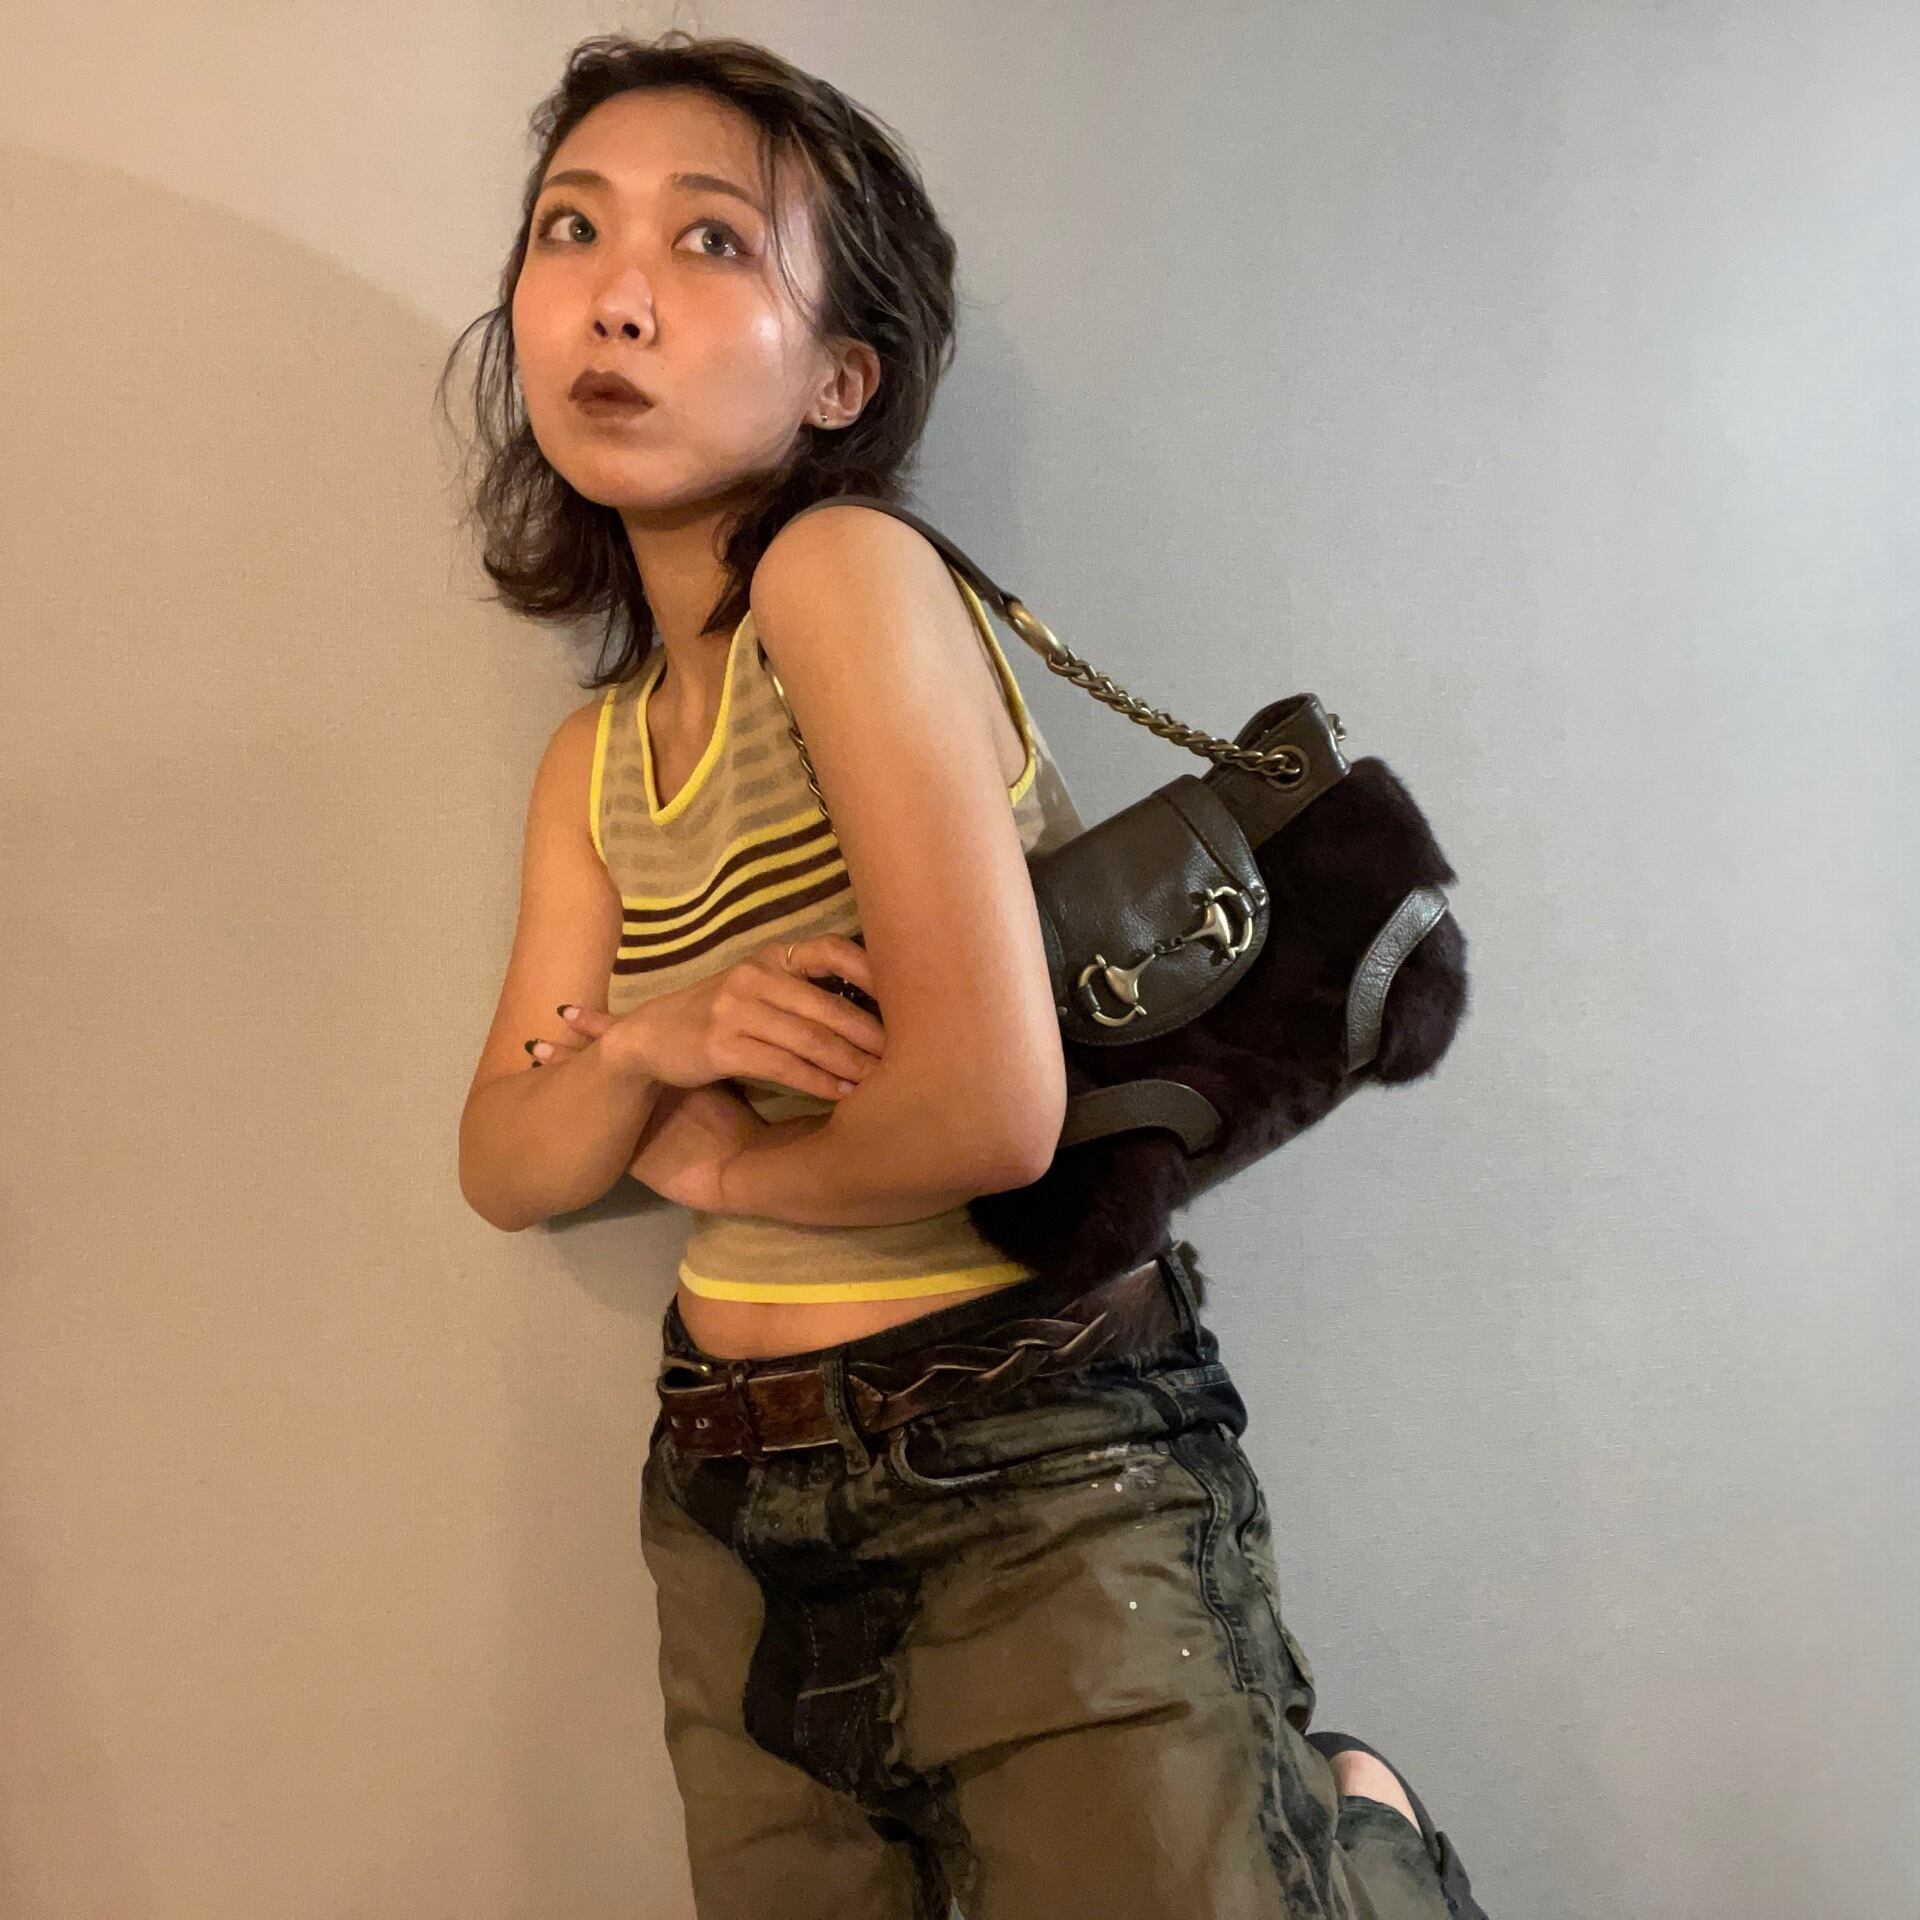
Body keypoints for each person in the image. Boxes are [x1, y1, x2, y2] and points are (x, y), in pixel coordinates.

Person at [451, 30, 1489, 1920]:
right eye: (569, 230)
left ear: (840, 375)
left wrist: (729, 1160)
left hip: (1022, 1462)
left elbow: (989, 1112)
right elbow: (507, 1157)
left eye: (709, 243)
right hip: (726, 1502)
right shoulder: (591, 763)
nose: (615, 294)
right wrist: (660, 1041)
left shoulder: (840, 575)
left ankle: (1369, 1853)